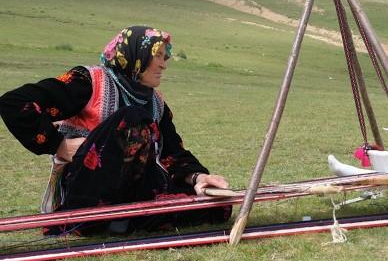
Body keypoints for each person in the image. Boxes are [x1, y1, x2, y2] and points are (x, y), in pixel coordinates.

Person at [0, 25, 231, 234]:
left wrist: (198, 177)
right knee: (132, 118)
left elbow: (172, 151)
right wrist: (58, 145)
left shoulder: (155, 103)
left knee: (216, 206)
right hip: (88, 190)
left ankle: (124, 220)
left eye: (165, 56)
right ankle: (99, 219)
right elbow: (14, 103)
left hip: (137, 188)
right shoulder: (88, 81)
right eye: (157, 56)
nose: (164, 64)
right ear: (136, 55)